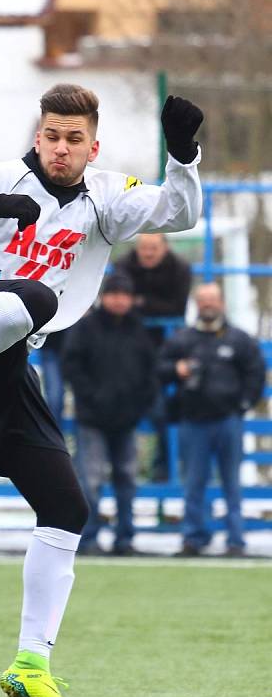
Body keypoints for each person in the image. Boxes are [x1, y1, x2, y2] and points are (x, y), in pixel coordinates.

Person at [0, 83, 204, 697]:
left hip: (8, 361)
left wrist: (182, 155)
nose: (61, 149)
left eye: (74, 139)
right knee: (26, 298)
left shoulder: (106, 196)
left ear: (92, 145)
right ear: (38, 134)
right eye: (52, 135)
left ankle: (29, 664)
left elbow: (178, 215)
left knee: (67, 507)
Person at [159, 282, 265, 557]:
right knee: (194, 483)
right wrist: (176, 369)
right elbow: (159, 368)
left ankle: (235, 540)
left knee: (232, 483)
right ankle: (193, 538)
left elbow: (256, 374)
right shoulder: (183, 339)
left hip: (228, 421)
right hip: (193, 422)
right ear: (196, 303)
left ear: (222, 303)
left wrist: (242, 405)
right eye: (202, 300)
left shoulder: (239, 339)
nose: (207, 305)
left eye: (212, 300)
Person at [62, 273, 157, 555]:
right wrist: (91, 398)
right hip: (92, 419)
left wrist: (139, 405)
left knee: (127, 481)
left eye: (124, 294)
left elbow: (150, 373)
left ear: (130, 298)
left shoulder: (139, 330)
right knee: (90, 482)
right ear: (104, 296)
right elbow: (72, 368)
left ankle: (125, 538)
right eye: (114, 294)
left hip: (127, 419)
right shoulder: (85, 328)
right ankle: (89, 538)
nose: (119, 300)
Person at [116, 232, 192, 480]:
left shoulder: (180, 268)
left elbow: (177, 308)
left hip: (166, 349)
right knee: (118, 409)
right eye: (144, 248)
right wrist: (146, 305)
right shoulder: (124, 265)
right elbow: (118, 305)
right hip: (129, 347)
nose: (148, 254)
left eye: (153, 249)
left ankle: (163, 469)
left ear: (165, 248)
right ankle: (121, 470)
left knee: (166, 413)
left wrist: (140, 303)